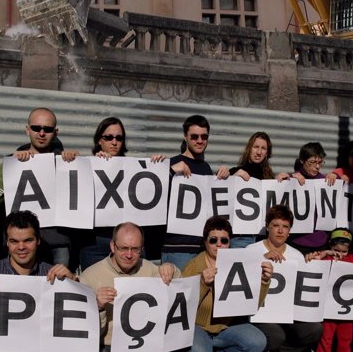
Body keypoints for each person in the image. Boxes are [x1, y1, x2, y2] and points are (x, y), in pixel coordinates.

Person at [0, 210, 76, 352]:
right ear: (7, 242)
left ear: (38, 240)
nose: (21, 247)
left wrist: (73, 286)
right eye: (14, 241)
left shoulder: (52, 275)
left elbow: (73, 327)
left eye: (28, 240)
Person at [0, 107, 79, 266]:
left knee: (56, 289)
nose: (42, 133)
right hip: (22, 243)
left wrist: (77, 162)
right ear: (27, 130)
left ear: (56, 132)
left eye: (48, 129)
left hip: (57, 243)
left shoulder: (66, 163)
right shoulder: (13, 161)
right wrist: (9, 167)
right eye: (36, 128)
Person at [80, 116, 166, 270]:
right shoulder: (87, 165)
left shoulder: (134, 168)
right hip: (95, 243)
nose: (114, 142)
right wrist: (95, 163)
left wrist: (158, 166)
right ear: (99, 140)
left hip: (128, 244)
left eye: (119, 138)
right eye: (108, 137)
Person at [79, 221, 180, 351]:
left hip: (148, 344)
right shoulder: (89, 277)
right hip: (109, 346)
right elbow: (86, 333)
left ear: (142, 249)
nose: (129, 255)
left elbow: (180, 295)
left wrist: (172, 270)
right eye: (123, 248)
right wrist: (98, 307)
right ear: (112, 246)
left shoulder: (150, 269)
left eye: (135, 249)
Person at [183, 216, 271, 352]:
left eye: (224, 240)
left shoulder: (238, 264)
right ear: (205, 241)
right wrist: (202, 283)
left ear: (229, 242)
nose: (219, 244)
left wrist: (264, 281)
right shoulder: (193, 266)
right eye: (213, 240)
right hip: (198, 327)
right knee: (199, 350)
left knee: (257, 341)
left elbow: (251, 305)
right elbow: (184, 307)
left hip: (226, 327)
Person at [248, 205, 323, 352]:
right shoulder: (251, 250)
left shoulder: (297, 255)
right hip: (260, 314)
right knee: (276, 335)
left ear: (290, 231)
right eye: (276, 225)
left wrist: (312, 265)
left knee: (315, 329)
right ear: (267, 227)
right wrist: (261, 259)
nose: (280, 231)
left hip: (288, 314)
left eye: (285, 227)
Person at [162, 115, 229, 270]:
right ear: (185, 136)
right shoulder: (172, 164)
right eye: (194, 136)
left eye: (204, 136)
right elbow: (151, 196)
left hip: (202, 248)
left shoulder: (206, 168)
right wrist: (171, 172)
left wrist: (227, 177)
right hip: (177, 248)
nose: (200, 140)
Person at [305, 228, 353, 352]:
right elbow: (311, 264)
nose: (340, 254)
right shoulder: (326, 259)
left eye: (344, 251)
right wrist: (324, 253)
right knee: (325, 340)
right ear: (330, 246)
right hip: (327, 310)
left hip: (346, 311)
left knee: (345, 341)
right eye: (336, 250)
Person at [276, 142, 329, 252]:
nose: (317, 166)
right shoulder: (292, 178)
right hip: (296, 242)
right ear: (302, 160)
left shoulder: (325, 181)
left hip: (320, 242)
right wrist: (284, 180)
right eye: (312, 162)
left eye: (320, 162)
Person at [228, 131, 275, 248]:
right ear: (249, 148)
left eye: (263, 148)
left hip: (263, 238)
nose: (259, 152)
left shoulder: (270, 178)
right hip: (240, 237)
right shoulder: (235, 172)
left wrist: (285, 180)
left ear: (267, 153)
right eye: (256, 147)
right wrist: (231, 177)